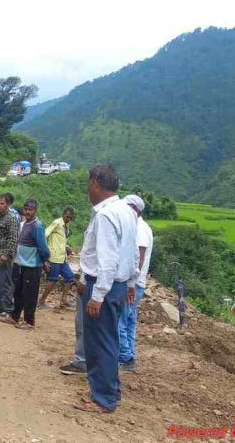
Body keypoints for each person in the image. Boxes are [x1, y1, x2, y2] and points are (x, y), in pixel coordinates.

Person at [73, 164, 138, 414]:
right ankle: (111, 392)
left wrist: (97, 295)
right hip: (118, 287)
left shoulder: (106, 215)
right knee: (110, 339)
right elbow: (131, 254)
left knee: (99, 342)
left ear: (96, 183)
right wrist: (131, 283)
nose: (88, 188)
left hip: (104, 286)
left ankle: (103, 398)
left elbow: (108, 260)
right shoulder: (126, 212)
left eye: (89, 182)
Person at [0, 199, 50, 329]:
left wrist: (44, 260)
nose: (27, 212)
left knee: (30, 294)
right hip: (20, 263)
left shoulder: (37, 226)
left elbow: (43, 248)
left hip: (32, 266)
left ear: (35, 210)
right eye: (26, 209)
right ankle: (14, 316)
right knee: (18, 292)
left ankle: (29, 321)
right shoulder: (24, 223)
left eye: (30, 209)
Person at [119, 195, 153, 373]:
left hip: (134, 284)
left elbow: (137, 260)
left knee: (120, 321)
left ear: (135, 209)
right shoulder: (143, 227)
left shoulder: (138, 228)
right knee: (130, 320)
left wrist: (130, 282)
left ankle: (125, 357)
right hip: (139, 283)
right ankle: (129, 353)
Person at [39, 207, 75, 310]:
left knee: (69, 277)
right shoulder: (57, 223)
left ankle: (63, 300)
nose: (68, 219)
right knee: (53, 279)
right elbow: (44, 234)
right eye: (67, 216)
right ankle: (41, 301)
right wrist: (47, 251)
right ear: (63, 214)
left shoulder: (66, 226)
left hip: (62, 258)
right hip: (54, 257)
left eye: (70, 218)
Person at [0, 194, 18, 316]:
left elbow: (13, 238)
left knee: (4, 282)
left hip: (3, 256)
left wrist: (6, 254)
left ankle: (7, 309)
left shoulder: (11, 219)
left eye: (2, 204)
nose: (0, 205)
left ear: (8, 205)